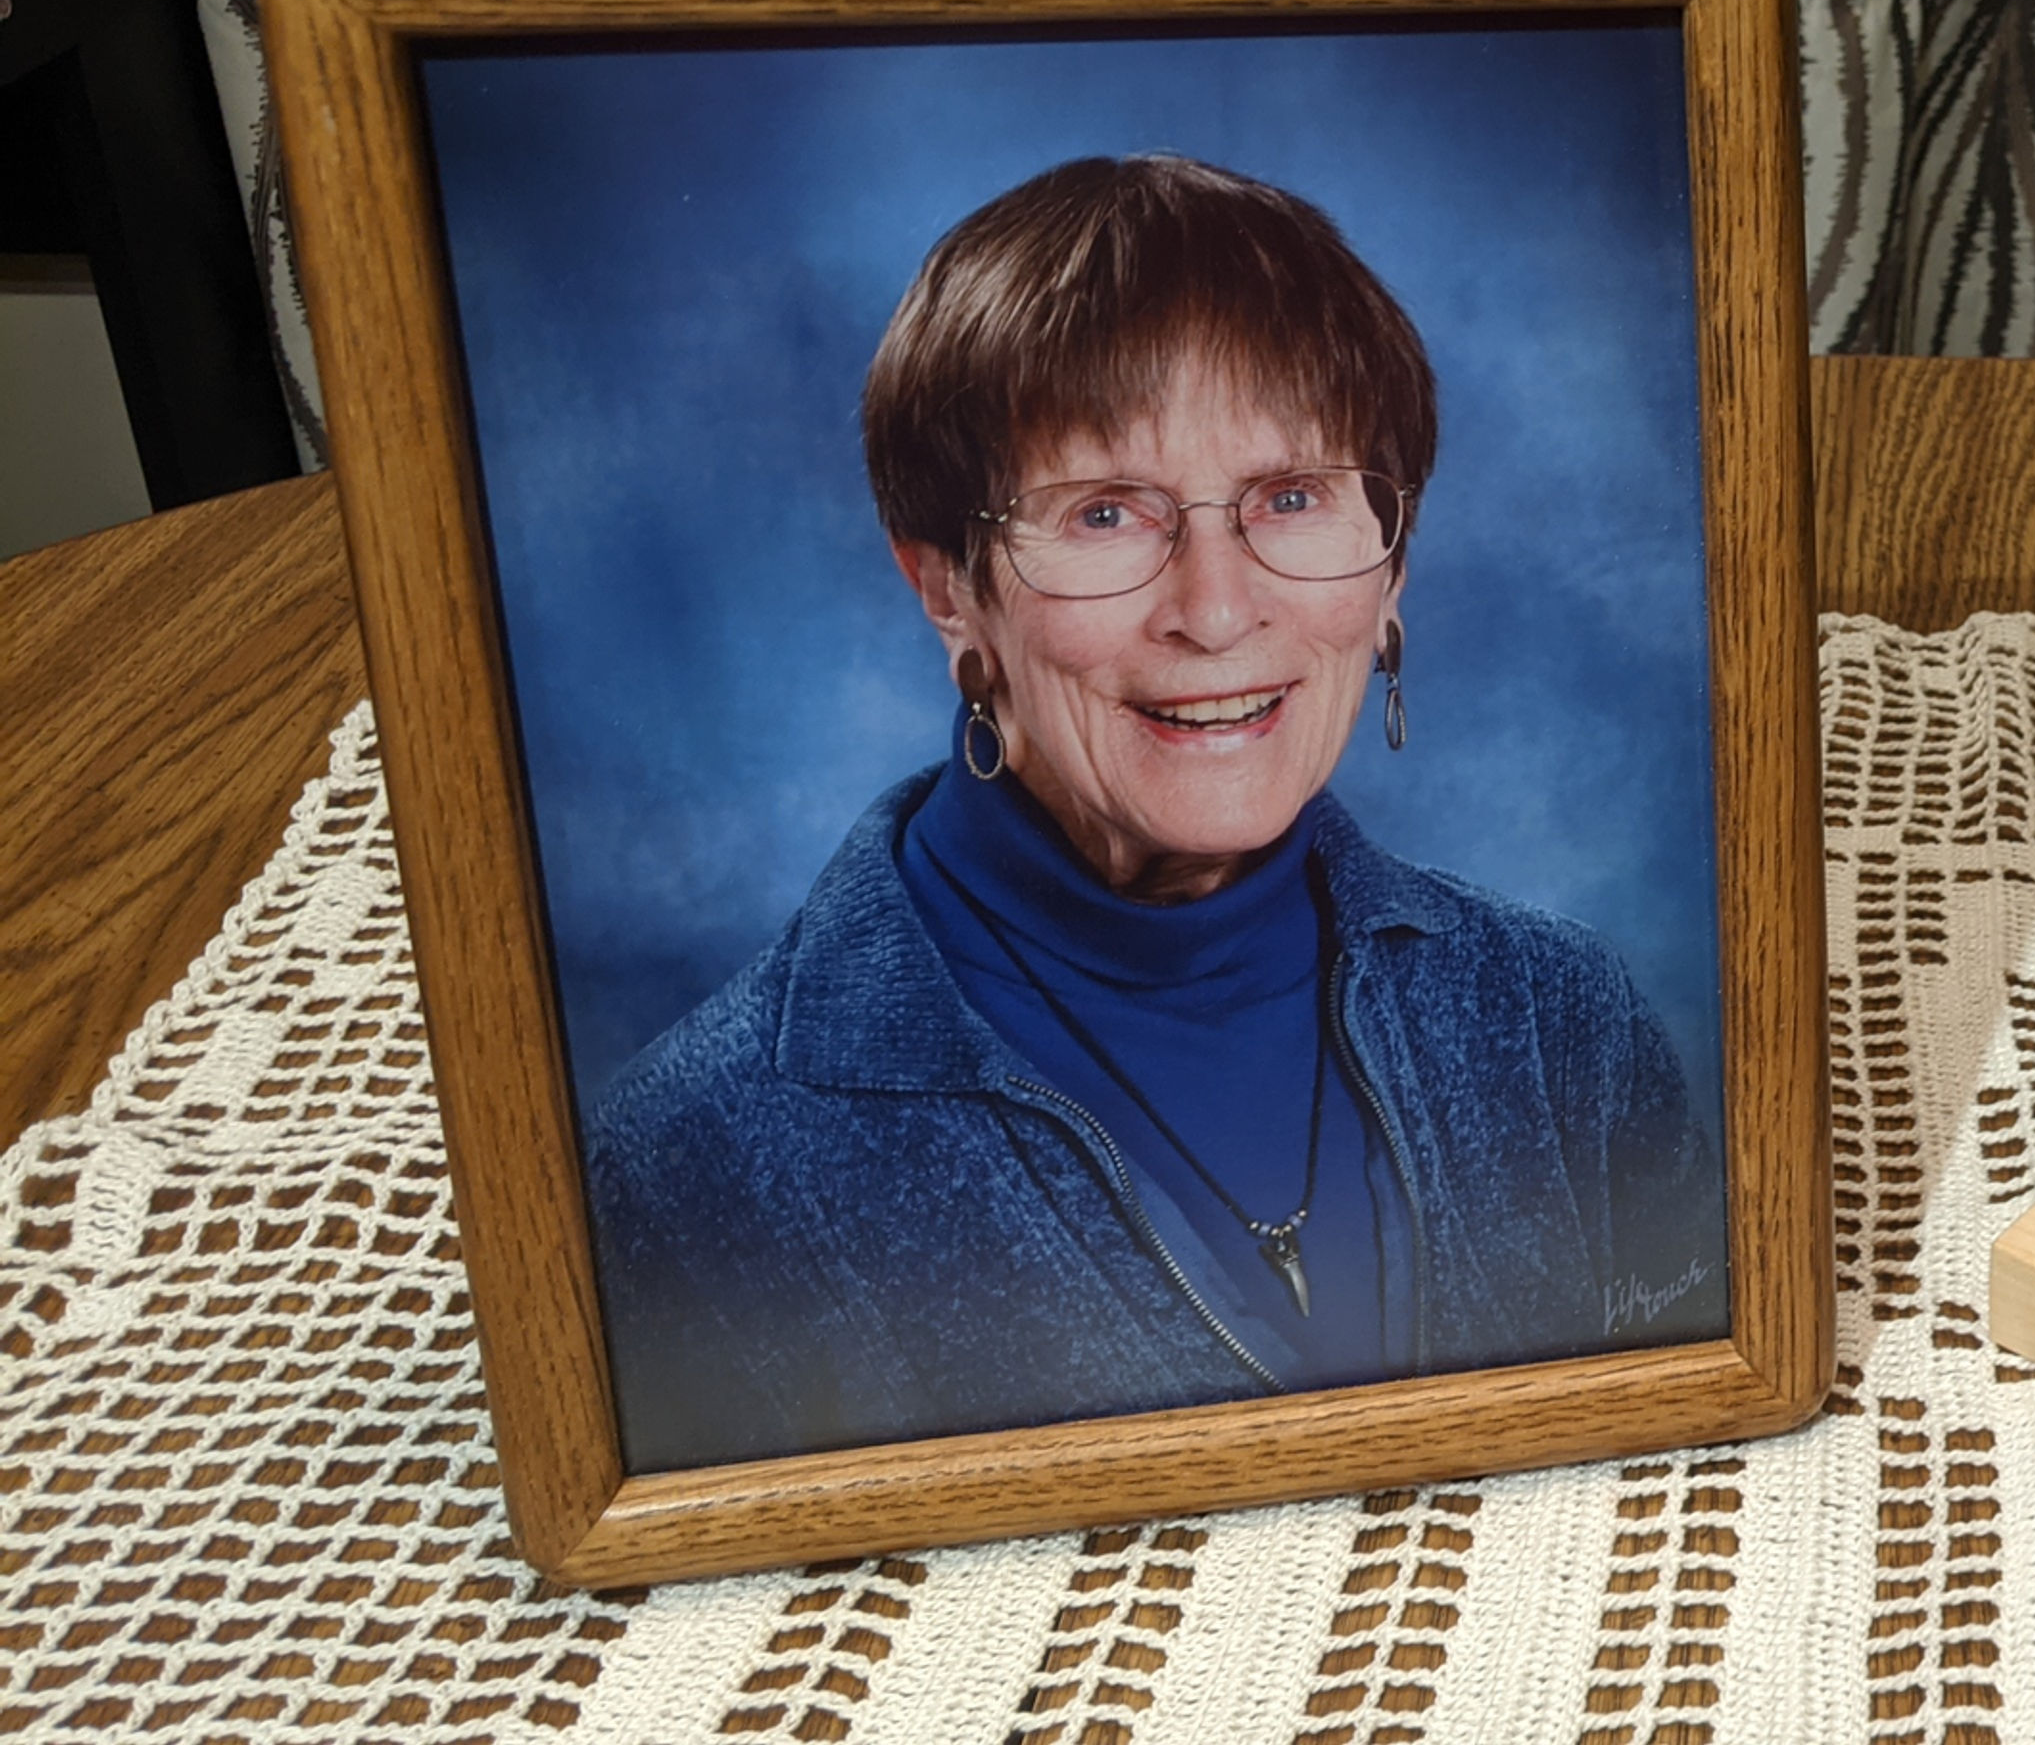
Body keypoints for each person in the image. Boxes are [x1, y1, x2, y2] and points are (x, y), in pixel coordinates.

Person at [583, 153, 1726, 1472]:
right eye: (1107, 513)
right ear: (949, 589)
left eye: (1291, 498)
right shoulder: (699, 1167)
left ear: (1393, 561)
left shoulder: (1562, 1025)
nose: (1217, 611)